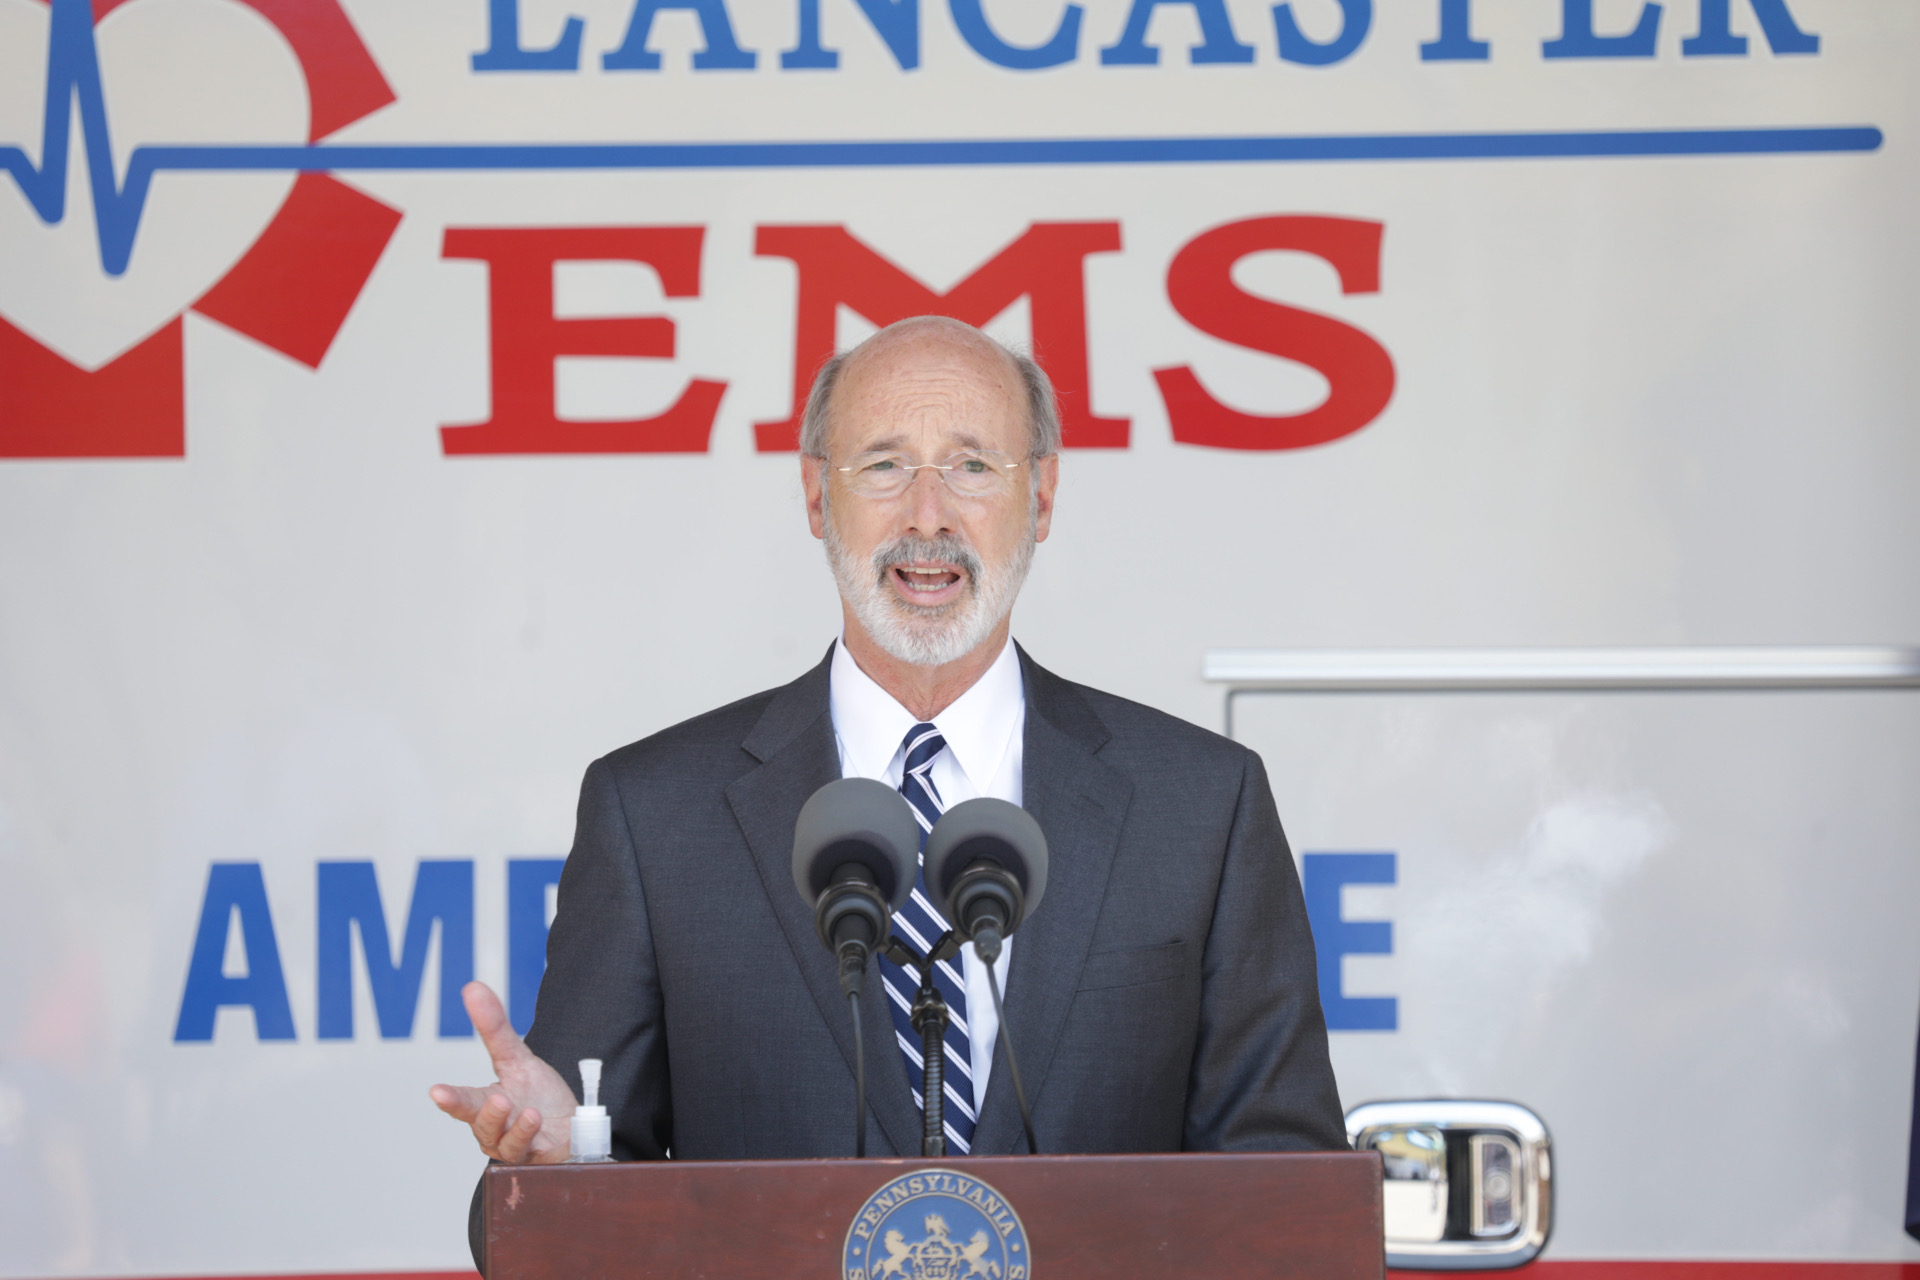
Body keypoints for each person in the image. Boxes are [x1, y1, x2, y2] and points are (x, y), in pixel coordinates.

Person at [430, 316, 1346, 1261]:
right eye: (882, 466)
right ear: (817, 496)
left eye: (973, 466)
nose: (928, 516)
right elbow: (547, 1231)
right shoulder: (654, 815)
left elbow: (1289, 1198)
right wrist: (545, 1176)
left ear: (1043, 494)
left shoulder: (1200, 805)